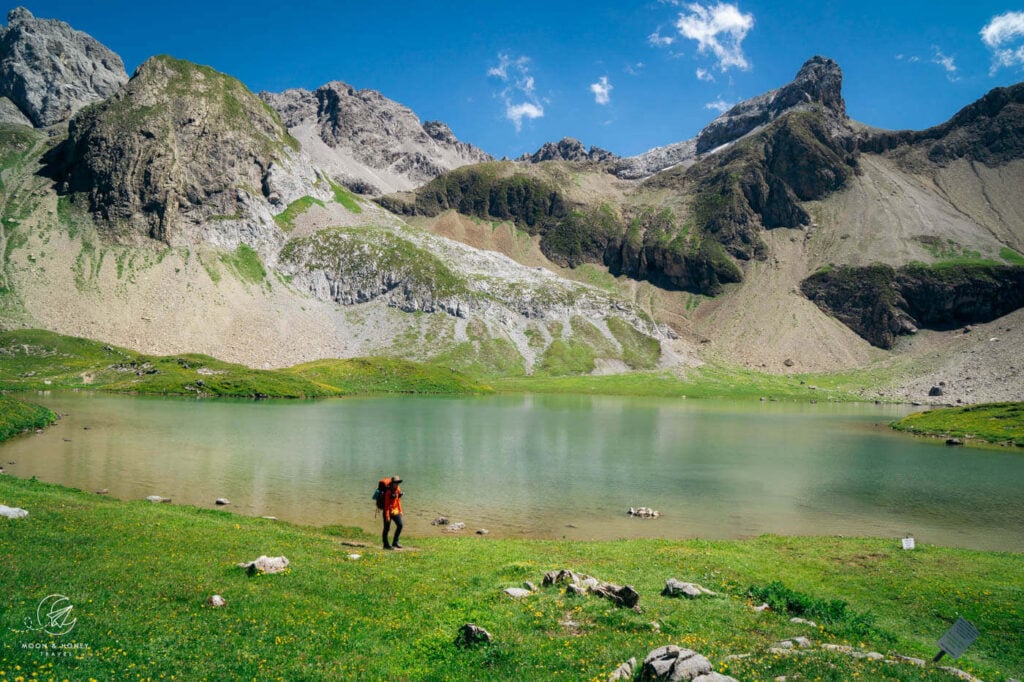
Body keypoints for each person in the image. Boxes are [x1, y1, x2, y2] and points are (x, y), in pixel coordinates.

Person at [382, 475, 404, 550]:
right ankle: (385, 544)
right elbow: (386, 505)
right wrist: (387, 516)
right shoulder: (388, 492)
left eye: (398, 482)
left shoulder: (398, 489)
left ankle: (395, 542)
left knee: (400, 525)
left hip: (395, 511)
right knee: (386, 529)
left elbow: (398, 501)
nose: (397, 484)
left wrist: (400, 511)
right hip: (387, 511)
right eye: (395, 482)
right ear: (392, 483)